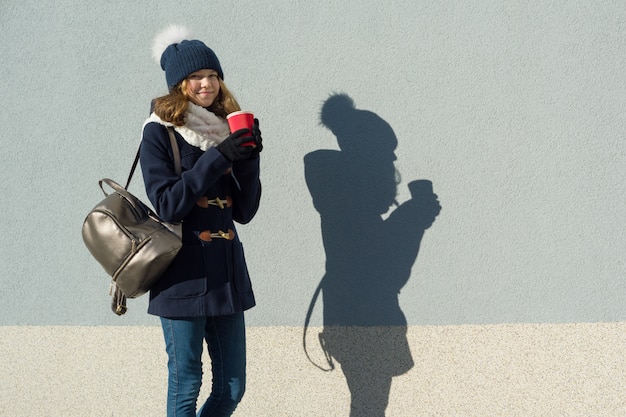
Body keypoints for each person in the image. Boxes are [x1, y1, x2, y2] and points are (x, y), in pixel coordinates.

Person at [139, 25, 263, 417]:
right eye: (195, 77)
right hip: (182, 275)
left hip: (226, 274)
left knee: (232, 387)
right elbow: (168, 204)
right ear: (180, 84)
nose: (206, 83)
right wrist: (221, 156)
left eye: (211, 75)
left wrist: (249, 157)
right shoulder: (159, 132)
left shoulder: (224, 126)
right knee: (186, 382)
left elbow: (244, 212)